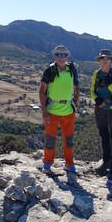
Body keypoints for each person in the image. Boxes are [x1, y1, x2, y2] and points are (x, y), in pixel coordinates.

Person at [39, 45, 80, 174]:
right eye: (58, 55)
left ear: (67, 56)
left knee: (69, 140)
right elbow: (42, 91)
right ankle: (47, 163)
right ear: (54, 56)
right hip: (52, 111)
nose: (61, 57)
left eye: (64, 55)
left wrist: (76, 101)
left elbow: (77, 86)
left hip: (68, 111)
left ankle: (69, 164)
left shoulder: (72, 69)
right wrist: (44, 112)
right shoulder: (49, 70)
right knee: (50, 139)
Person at [91, 49, 112, 178]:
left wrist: (109, 85)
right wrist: (97, 99)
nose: (105, 60)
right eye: (103, 58)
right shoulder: (96, 73)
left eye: (107, 58)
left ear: (111, 60)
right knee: (104, 136)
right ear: (99, 60)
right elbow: (92, 90)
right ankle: (106, 162)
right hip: (100, 109)